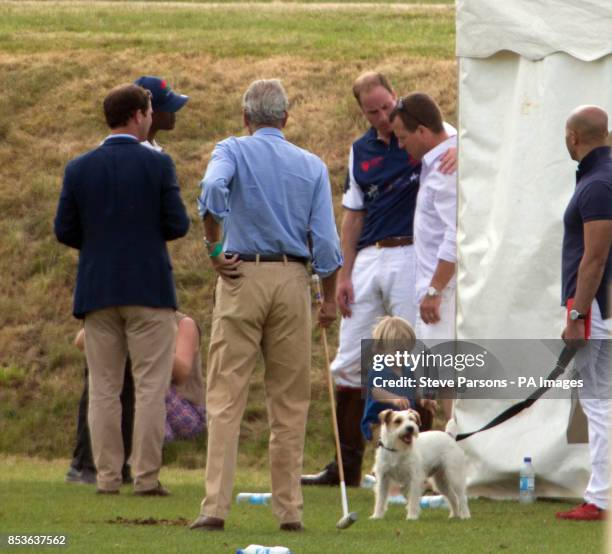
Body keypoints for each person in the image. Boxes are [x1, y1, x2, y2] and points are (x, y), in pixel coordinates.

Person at [190, 79, 342, 532]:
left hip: (242, 275)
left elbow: (212, 189)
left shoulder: (232, 150)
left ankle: (214, 507)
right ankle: (289, 511)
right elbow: (329, 245)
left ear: (245, 118)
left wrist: (214, 248)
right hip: (294, 279)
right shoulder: (312, 165)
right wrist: (329, 298)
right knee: (290, 402)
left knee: (225, 396)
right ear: (286, 119)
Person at [302, 71, 456, 488]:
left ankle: (417, 467)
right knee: (350, 359)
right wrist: (345, 273)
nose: (384, 117)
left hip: (412, 254)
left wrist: (469, 151)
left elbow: (459, 144)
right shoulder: (361, 150)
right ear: (362, 112)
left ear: (396, 96)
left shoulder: (429, 136)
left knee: (413, 357)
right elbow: (353, 215)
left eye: (387, 106)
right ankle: (345, 466)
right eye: (373, 111)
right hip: (371, 253)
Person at [54, 84, 190, 495]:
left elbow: (65, 229)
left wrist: (100, 246)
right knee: (151, 387)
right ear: (136, 115)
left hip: (98, 287)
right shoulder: (157, 166)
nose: (151, 116)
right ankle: (146, 477)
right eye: (148, 110)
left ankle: (107, 477)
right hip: (148, 287)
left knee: (103, 388)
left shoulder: (79, 168)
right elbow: (177, 224)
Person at [65, 311, 203, 485]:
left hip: (184, 406)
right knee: (115, 380)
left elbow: (182, 372)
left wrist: (147, 347)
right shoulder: (129, 320)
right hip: (148, 392)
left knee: (142, 386)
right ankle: (110, 463)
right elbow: (80, 341)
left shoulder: (184, 324)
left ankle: (133, 463)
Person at [555, 105, 611, 521]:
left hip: (599, 307)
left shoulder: (596, 185)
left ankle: (601, 498)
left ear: (574, 137)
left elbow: (594, 258)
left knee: (599, 401)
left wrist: (576, 314)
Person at [390, 92, 457, 421]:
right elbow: (449, 128)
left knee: (448, 382)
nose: (400, 146)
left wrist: (435, 289)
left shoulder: (446, 169)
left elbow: (455, 233)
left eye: (403, 138)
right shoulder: (446, 151)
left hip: (444, 291)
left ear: (422, 132)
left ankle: (459, 452)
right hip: (434, 286)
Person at [361, 316, 437, 443]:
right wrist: (394, 399)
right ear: (381, 349)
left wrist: (423, 401)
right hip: (379, 423)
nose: (404, 356)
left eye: (408, 351)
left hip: (403, 422)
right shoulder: (379, 369)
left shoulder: (408, 370)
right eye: (399, 352)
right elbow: (376, 391)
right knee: (392, 447)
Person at [133, 76, 189, 152]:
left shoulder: (151, 148)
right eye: (168, 108)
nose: (173, 114)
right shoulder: (141, 155)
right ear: (149, 111)